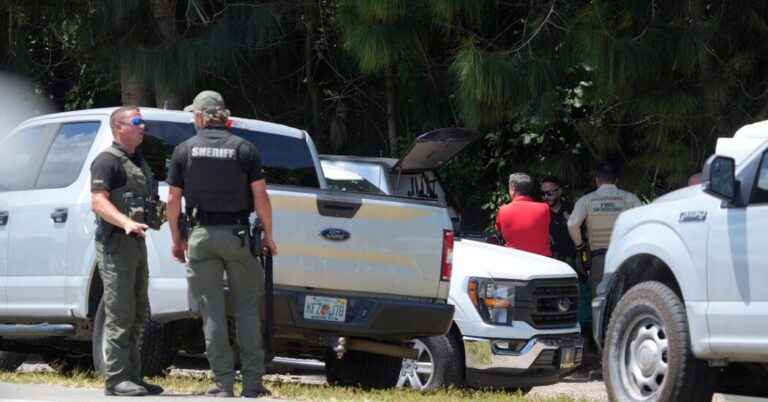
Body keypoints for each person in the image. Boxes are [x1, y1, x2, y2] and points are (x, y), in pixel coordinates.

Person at [167, 90, 277, 398]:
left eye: (193, 115)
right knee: (246, 310)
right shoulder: (245, 149)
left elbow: (173, 199)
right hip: (238, 236)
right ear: (223, 116)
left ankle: (222, 384)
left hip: (201, 237)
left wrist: (177, 239)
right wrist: (268, 235)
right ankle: (253, 384)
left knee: (212, 311)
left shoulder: (184, 150)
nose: (192, 120)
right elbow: (261, 198)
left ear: (201, 116)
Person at [90, 106, 164, 396]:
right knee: (120, 311)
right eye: (136, 122)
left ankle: (133, 375)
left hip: (136, 244)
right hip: (117, 244)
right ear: (119, 127)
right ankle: (116, 378)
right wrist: (125, 222)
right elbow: (98, 201)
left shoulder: (138, 162)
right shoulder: (107, 161)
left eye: (142, 122)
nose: (142, 126)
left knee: (136, 311)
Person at [567, 164, 642, 291]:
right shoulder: (630, 198)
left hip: (599, 258)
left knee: (600, 297)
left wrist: (580, 246)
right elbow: (643, 223)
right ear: (616, 180)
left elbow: (572, 224)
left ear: (597, 180)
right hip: (623, 256)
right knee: (624, 295)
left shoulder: (586, 200)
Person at [495, 173, 551, 256]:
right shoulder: (544, 208)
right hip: (542, 260)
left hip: (514, 259)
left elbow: (498, 231)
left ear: (512, 189)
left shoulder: (503, 210)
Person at [540, 175, 577, 265]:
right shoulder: (538, 213)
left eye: (549, 193)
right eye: (542, 193)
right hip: (548, 262)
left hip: (573, 261)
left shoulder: (572, 209)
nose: (545, 197)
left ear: (559, 191)